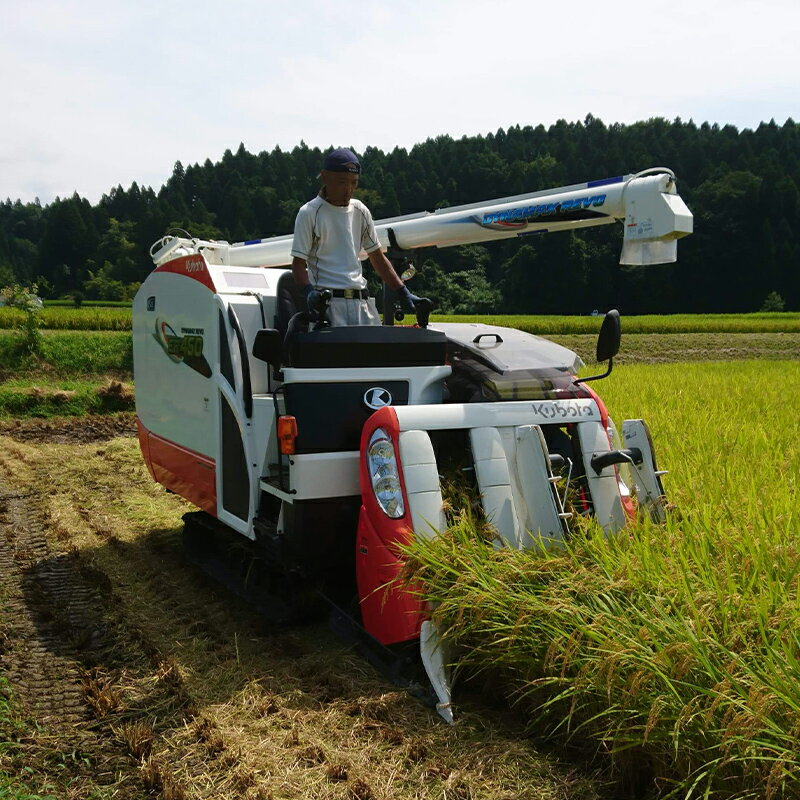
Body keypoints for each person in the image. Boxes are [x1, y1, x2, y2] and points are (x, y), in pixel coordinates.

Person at [290, 147, 420, 327]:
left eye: (354, 182)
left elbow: (377, 257)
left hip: (362, 304)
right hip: (329, 306)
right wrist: (308, 291)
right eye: (342, 182)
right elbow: (298, 264)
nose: (348, 190)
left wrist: (401, 290)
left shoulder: (360, 210)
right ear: (325, 177)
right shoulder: (309, 213)